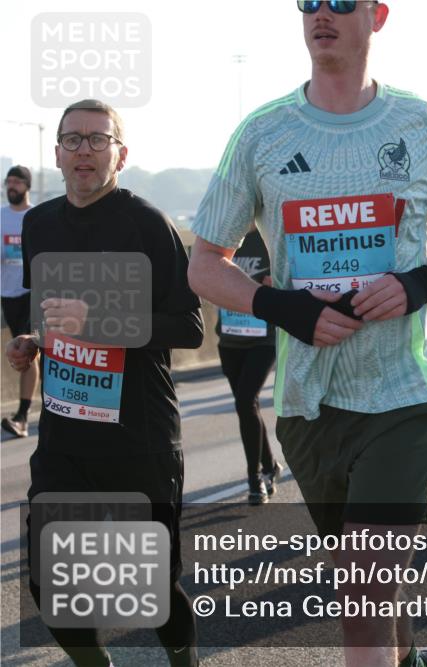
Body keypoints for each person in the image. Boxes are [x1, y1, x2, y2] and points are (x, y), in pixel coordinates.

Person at [187, 4, 427, 666]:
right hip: (308, 405)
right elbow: (203, 262)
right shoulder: (261, 133)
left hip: (403, 394)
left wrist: (423, 282)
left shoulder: (421, 123)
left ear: (377, 15)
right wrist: (281, 304)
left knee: (359, 598)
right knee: (370, 592)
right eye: (309, 0)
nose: (322, 13)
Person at [8, 99, 204, 667]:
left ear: (122, 152)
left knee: (154, 588)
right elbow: (49, 312)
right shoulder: (39, 224)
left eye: (98, 139)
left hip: (138, 434)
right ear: (57, 154)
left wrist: (97, 323)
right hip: (66, 436)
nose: (85, 151)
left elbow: (190, 327)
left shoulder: (147, 224)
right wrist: (33, 341)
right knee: (51, 585)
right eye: (73, 140)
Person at [215, 228, 283, 505]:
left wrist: (275, 284)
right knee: (247, 405)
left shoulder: (270, 234)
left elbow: (295, 278)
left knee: (245, 401)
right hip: (230, 338)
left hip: (262, 338)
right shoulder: (221, 236)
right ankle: (270, 466)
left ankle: (255, 478)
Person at [1, 165, 38, 438]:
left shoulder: (36, 217)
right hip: (8, 294)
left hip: (32, 293)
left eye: (16, 181)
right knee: (26, 352)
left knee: (28, 348)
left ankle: (23, 416)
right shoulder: (0, 217)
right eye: (8, 181)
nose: (11, 186)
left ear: (27, 185)